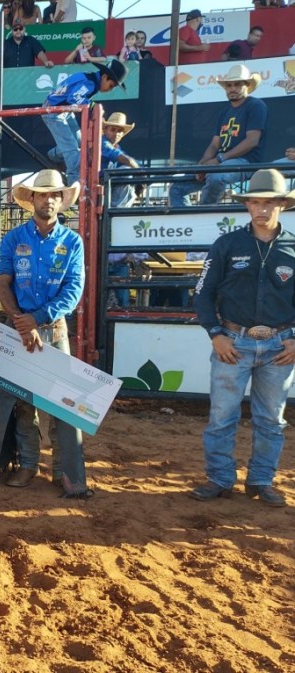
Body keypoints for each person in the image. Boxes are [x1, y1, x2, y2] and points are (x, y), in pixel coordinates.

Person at [190, 169, 295, 508]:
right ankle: (220, 478)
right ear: (247, 204)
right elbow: (202, 293)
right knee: (222, 415)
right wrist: (215, 334)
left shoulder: (294, 247)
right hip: (232, 343)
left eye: (268, 203)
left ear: (282, 205)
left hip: (280, 346)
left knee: (271, 419)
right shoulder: (227, 244)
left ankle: (262, 480)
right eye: (254, 202)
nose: (261, 209)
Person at [0, 170, 91, 498]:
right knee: (21, 403)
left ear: (62, 200)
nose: (48, 200)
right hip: (18, 327)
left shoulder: (72, 242)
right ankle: (29, 464)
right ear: (31, 198)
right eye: (43, 194)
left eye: (54, 195)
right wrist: (21, 320)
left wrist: (33, 319)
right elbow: (2, 281)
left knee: (63, 405)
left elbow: (73, 291)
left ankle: (63, 470)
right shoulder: (13, 238)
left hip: (52, 329)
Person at [169, 65, 267, 208]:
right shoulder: (224, 111)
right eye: (229, 85)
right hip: (221, 162)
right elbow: (215, 144)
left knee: (216, 177)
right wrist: (201, 165)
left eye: (237, 84)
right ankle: (188, 221)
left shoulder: (256, 105)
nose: (232, 88)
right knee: (176, 188)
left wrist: (219, 160)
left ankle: (205, 214)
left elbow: (252, 141)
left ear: (247, 85)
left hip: (246, 162)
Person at [42, 60, 128, 186]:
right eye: (111, 85)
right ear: (104, 77)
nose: (110, 89)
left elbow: (73, 98)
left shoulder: (89, 78)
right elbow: (74, 98)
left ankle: (54, 154)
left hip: (62, 109)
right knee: (72, 150)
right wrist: (93, 106)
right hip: (53, 112)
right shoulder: (90, 83)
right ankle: (75, 186)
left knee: (79, 141)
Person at [101, 112, 140, 208]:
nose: (116, 134)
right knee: (126, 171)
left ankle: (119, 211)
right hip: (98, 185)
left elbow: (133, 162)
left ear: (123, 134)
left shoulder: (117, 147)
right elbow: (128, 161)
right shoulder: (101, 143)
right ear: (105, 130)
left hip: (108, 185)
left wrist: (141, 176)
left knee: (129, 173)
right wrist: (141, 174)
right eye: (113, 130)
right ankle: (116, 211)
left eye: (120, 131)